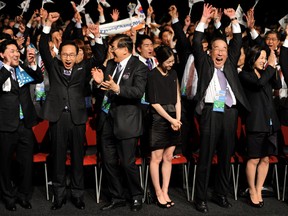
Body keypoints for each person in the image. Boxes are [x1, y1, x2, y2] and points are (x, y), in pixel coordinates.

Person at [39, 12, 104, 210]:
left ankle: (77, 195)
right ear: (59, 53)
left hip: (77, 119)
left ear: (77, 56)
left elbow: (100, 55)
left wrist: (96, 37)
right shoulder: (54, 65)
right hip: (58, 118)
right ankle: (58, 196)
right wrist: (48, 25)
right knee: (58, 158)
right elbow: (43, 47)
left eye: (71, 55)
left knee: (77, 159)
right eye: (64, 54)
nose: (67, 58)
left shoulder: (83, 67)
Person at [192, 4, 251, 213]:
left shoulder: (230, 62)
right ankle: (200, 198)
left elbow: (237, 42)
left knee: (226, 156)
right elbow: (197, 42)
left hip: (230, 112)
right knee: (207, 156)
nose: (221, 52)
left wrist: (234, 20)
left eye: (224, 49)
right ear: (210, 52)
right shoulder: (204, 63)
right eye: (216, 48)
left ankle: (221, 194)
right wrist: (203, 20)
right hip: (211, 112)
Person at [92, 34, 147, 212]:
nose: (111, 50)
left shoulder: (139, 66)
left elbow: (138, 92)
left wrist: (118, 89)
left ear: (125, 49)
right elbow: (103, 89)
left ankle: (136, 196)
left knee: (127, 162)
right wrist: (99, 83)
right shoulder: (110, 65)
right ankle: (117, 197)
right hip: (106, 119)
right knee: (108, 162)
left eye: (114, 47)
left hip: (126, 122)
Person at [0, 39, 43, 211]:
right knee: (4, 164)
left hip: (25, 123)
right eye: (11, 50)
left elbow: (38, 77)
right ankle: (8, 196)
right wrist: (7, 68)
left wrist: (32, 64)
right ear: (2, 54)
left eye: (17, 50)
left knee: (26, 162)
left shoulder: (22, 68)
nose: (16, 53)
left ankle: (23, 195)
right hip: (5, 124)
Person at [239, 45, 281, 208]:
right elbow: (258, 84)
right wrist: (270, 67)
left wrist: (273, 66)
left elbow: (277, 84)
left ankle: (258, 188)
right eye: (261, 58)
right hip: (255, 122)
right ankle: (251, 190)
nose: (264, 61)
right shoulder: (245, 75)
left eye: (265, 57)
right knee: (254, 158)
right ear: (253, 58)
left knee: (265, 159)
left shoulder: (267, 72)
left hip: (270, 121)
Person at [146, 45, 181, 208]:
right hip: (159, 119)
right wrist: (171, 120)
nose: (171, 64)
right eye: (168, 62)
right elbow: (154, 103)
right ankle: (158, 192)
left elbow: (177, 99)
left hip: (174, 118)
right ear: (159, 60)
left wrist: (177, 120)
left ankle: (166, 191)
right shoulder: (152, 75)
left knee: (168, 157)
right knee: (156, 158)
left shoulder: (173, 73)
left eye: (172, 61)